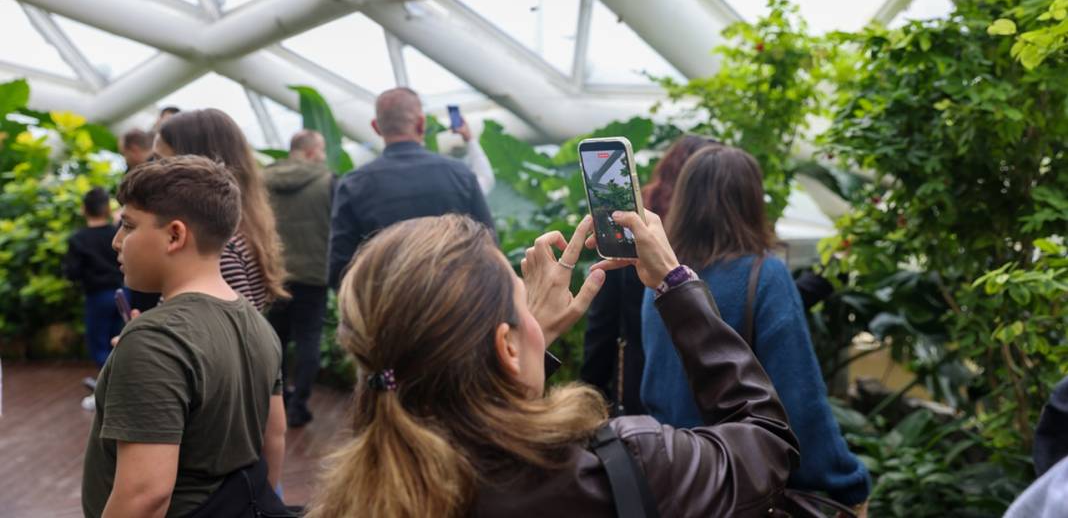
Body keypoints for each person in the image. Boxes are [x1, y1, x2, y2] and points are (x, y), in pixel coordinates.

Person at [306, 211, 799, 518]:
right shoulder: (624, 466)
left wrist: (520, 345)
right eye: (523, 300)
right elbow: (767, 442)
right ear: (505, 345)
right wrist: (675, 284)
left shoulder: (351, 500)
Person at [640, 145, 871, 515]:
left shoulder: (659, 281)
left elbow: (657, 388)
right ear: (750, 201)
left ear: (684, 200)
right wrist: (846, 485)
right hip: (739, 488)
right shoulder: (765, 276)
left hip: (675, 483)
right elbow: (799, 397)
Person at [81, 156, 286, 518]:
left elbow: (145, 496)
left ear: (175, 234)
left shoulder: (156, 339)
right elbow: (274, 439)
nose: (117, 242)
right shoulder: (258, 325)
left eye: (128, 225)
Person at [581, 135, 718, 414]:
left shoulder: (635, 223)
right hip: (704, 388)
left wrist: (586, 400)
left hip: (639, 388)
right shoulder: (714, 236)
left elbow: (602, 328)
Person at [326, 87, 495, 288]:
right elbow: (489, 247)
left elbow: (341, 267)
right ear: (421, 123)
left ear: (376, 127)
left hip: (388, 308)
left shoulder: (353, 184)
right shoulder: (459, 174)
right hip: (455, 303)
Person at [156, 108, 287, 311]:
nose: (153, 171)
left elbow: (238, 335)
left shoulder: (217, 250)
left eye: (163, 162)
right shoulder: (236, 232)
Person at [264, 130, 335, 428]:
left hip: (273, 273)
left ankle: (272, 401)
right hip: (314, 275)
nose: (322, 155)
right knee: (308, 340)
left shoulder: (262, 179)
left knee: (273, 340)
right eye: (320, 150)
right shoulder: (328, 181)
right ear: (309, 152)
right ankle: (298, 405)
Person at [63, 187, 126, 406]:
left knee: (99, 344)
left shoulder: (79, 239)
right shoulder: (117, 233)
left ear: (83, 210)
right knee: (121, 340)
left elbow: (71, 272)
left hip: (97, 296)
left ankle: (107, 389)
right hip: (121, 294)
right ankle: (117, 386)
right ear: (108, 208)